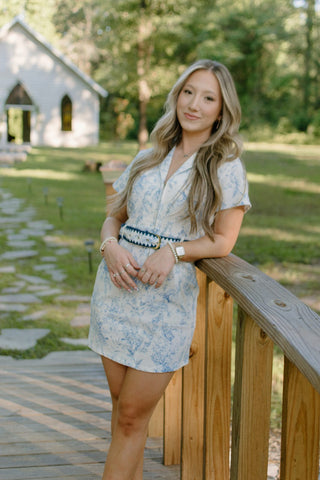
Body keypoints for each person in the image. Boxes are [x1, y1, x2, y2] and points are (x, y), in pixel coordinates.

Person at [88, 58, 251, 480]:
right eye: (188, 92)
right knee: (123, 410)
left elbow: (222, 240)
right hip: (115, 294)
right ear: (177, 95)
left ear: (221, 109)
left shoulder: (225, 166)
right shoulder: (149, 155)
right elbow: (114, 217)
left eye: (208, 97)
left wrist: (174, 251)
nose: (194, 104)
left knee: (130, 419)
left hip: (164, 307)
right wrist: (109, 246)